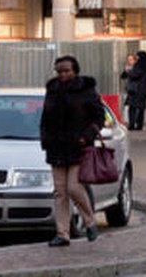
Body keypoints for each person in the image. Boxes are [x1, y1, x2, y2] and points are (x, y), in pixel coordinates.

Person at [40, 54, 104, 246]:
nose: (63, 74)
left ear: (75, 70)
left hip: (79, 147)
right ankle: (62, 233)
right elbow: (45, 118)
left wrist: (87, 136)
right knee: (60, 192)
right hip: (56, 147)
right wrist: (46, 139)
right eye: (59, 71)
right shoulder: (52, 90)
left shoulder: (86, 90)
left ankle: (90, 222)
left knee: (73, 187)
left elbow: (99, 117)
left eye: (67, 70)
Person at [120, 50, 146, 130]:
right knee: (141, 108)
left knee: (132, 108)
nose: (137, 59)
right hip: (143, 90)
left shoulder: (139, 66)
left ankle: (131, 125)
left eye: (137, 57)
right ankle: (139, 125)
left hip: (135, 90)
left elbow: (134, 75)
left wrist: (128, 71)